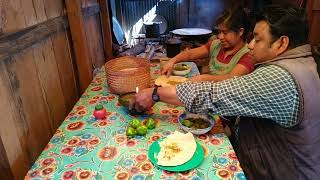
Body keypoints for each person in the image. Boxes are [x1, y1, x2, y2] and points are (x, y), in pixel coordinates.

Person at [131, 5, 320, 179]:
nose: (251, 45)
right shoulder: (302, 63)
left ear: (281, 43)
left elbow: (215, 94)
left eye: (258, 39)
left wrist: (155, 94)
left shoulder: (280, 77)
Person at [162, 7, 255, 82]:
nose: (220, 37)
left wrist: (203, 78)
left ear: (240, 31)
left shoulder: (248, 55)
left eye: (225, 32)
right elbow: (190, 54)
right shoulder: (216, 45)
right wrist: (172, 61)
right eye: (219, 32)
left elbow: (231, 78)